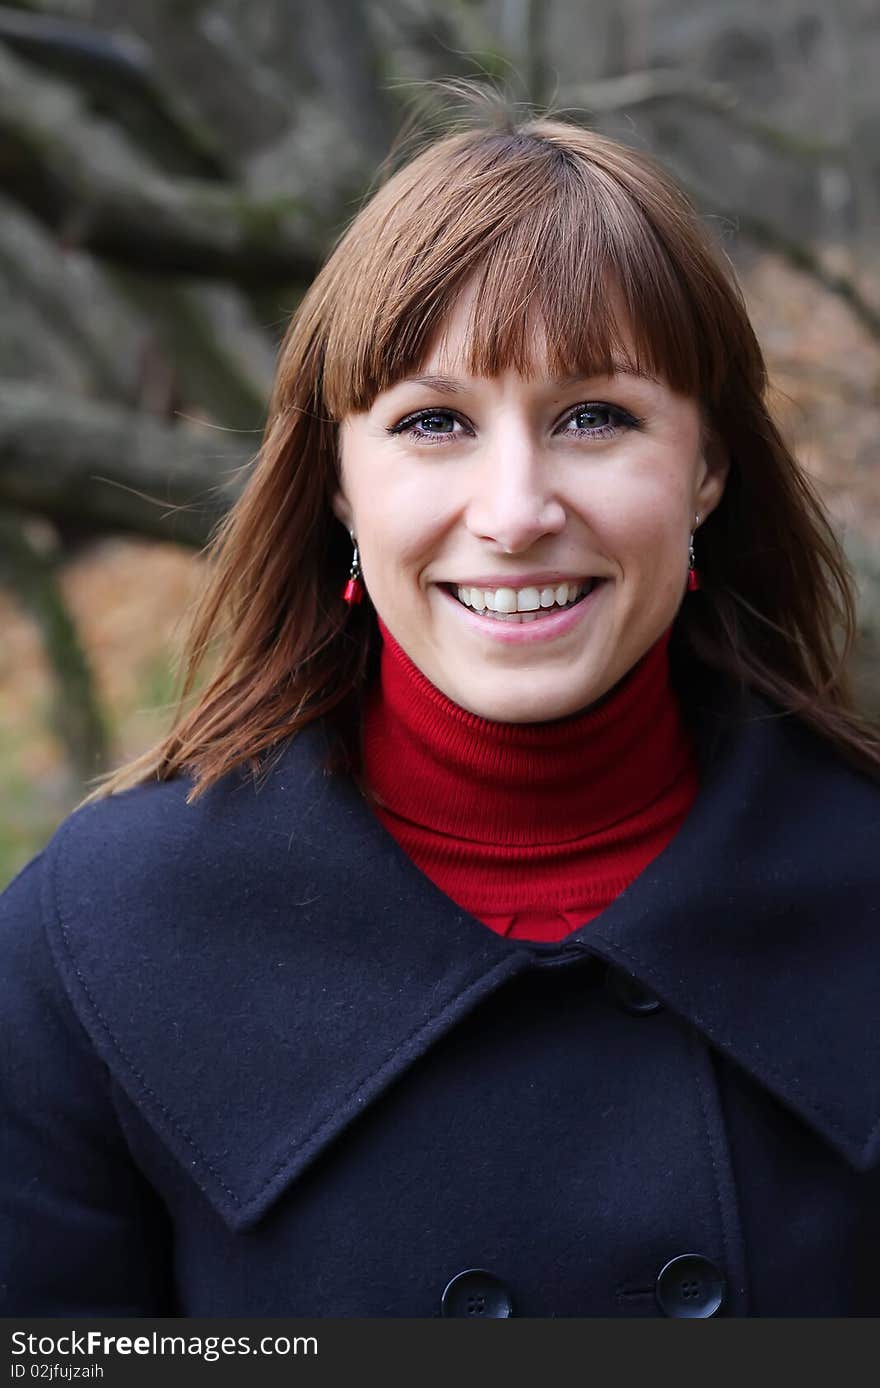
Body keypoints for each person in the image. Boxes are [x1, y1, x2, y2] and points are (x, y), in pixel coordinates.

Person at [2, 91, 880, 1320]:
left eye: (594, 416)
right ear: (343, 486)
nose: (514, 511)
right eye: (433, 422)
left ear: (708, 470)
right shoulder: (90, 941)